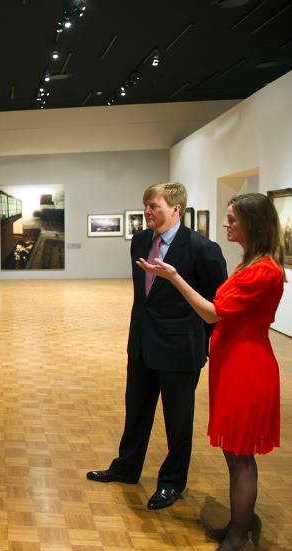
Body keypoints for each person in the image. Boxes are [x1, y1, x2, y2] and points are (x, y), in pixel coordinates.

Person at [137, 193, 282, 550]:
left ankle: (238, 535)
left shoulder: (263, 271)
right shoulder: (251, 263)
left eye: (232, 219)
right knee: (234, 454)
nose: (225, 224)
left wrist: (174, 277)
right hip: (232, 363)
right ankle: (239, 523)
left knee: (241, 455)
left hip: (247, 367)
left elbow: (212, 312)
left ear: (253, 223)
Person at [86, 182, 227, 510]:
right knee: (135, 411)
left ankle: (172, 482)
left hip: (180, 350)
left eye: (154, 206)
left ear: (176, 209)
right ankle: (126, 467)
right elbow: (145, 298)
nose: (147, 212)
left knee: (178, 420)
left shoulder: (201, 248)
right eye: (146, 206)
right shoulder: (140, 241)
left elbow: (215, 305)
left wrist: (199, 343)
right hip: (142, 345)